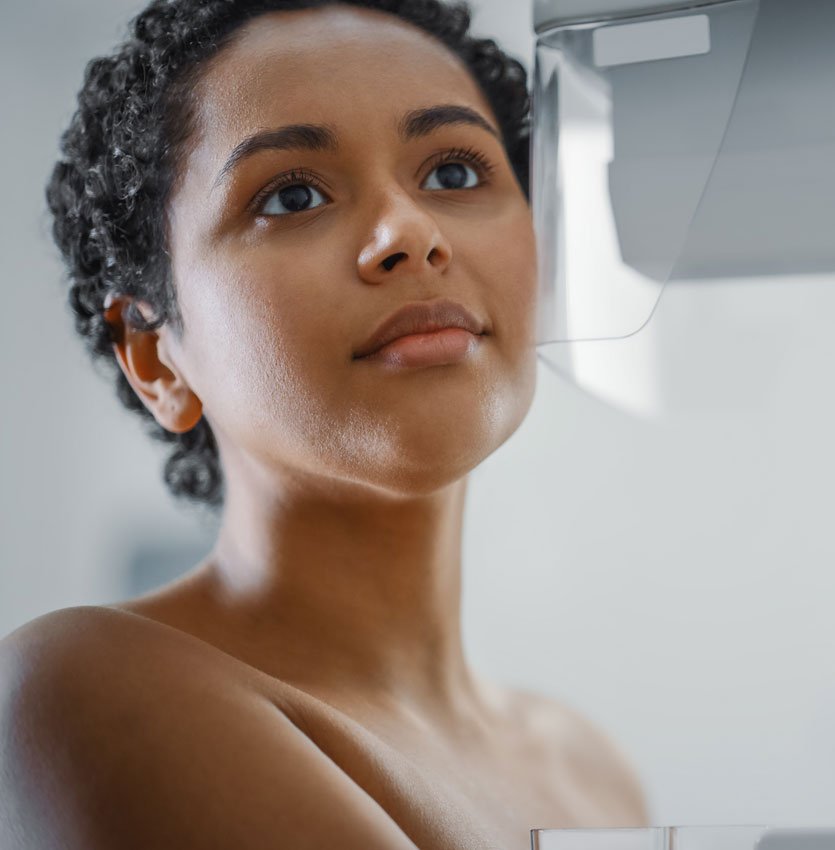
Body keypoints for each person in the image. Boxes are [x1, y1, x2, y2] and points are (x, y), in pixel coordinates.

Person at [0, 1, 649, 846]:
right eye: (292, 194)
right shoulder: (80, 685)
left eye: (453, 173)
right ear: (156, 358)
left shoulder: (590, 769)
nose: (410, 234)